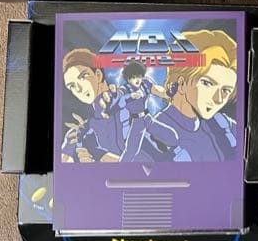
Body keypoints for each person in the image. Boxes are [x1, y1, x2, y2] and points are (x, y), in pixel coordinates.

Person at [121, 29, 238, 162]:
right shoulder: (152, 133)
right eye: (207, 83)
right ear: (182, 84)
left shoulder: (221, 123)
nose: (219, 99)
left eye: (226, 90)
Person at [60, 48, 126, 162]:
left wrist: (98, 156)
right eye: (72, 86)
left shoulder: (127, 102)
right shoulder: (81, 132)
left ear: (98, 75)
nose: (78, 89)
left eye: (83, 77)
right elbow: (63, 165)